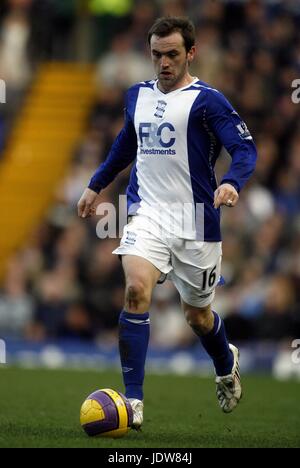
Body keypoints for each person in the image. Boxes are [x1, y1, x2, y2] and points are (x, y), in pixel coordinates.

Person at [78, 17, 257, 429]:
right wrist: (96, 185)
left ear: (191, 53)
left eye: (172, 54)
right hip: (148, 213)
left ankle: (225, 361)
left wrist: (232, 182)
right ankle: (133, 402)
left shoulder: (208, 100)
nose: (163, 62)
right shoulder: (136, 96)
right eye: (157, 54)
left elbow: (245, 150)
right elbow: (126, 144)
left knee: (198, 317)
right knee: (136, 289)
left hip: (196, 222)